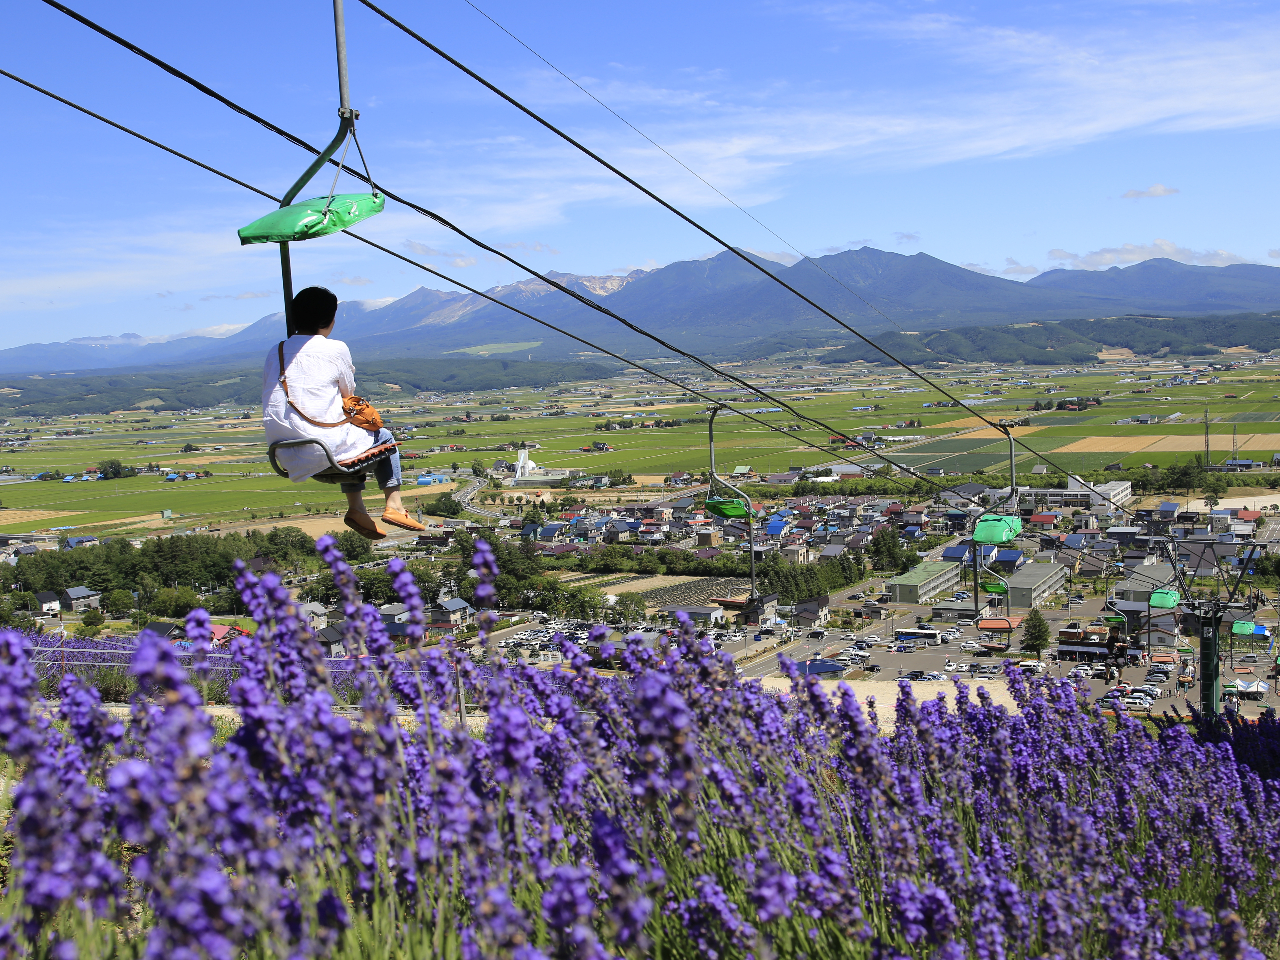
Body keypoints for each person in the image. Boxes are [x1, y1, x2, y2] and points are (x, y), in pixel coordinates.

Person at [262, 286, 424, 540]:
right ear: (330, 320)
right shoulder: (335, 348)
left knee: (347, 434)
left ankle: (357, 508)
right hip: (323, 450)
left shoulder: (277, 351)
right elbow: (348, 393)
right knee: (382, 436)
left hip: (284, 452)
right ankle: (394, 504)